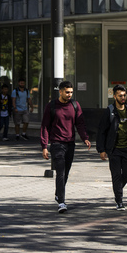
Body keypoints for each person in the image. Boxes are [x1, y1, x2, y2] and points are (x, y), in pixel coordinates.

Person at [40, 80, 91, 213]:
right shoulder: (51, 106)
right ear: (60, 91)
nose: (69, 95)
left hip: (70, 143)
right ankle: (61, 202)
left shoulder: (75, 105)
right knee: (60, 172)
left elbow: (80, 123)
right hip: (57, 143)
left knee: (66, 173)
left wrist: (85, 137)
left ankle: (58, 193)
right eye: (67, 92)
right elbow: (45, 126)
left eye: (71, 92)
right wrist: (44, 146)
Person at [96, 85, 127, 210]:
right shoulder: (110, 111)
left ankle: (117, 189)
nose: (123, 97)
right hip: (114, 149)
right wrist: (102, 150)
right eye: (120, 95)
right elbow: (102, 131)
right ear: (114, 96)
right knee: (116, 175)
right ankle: (119, 201)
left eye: (124, 95)